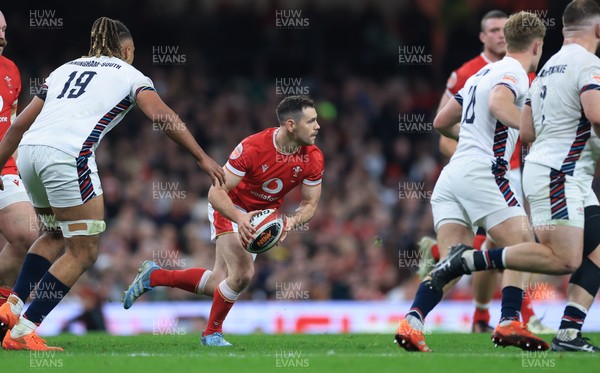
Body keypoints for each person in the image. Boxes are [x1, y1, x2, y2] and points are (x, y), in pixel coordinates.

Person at [0, 17, 225, 351]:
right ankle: (23, 331)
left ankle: (11, 306)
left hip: (29, 154)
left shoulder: (64, 69)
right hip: (67, 155)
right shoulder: (129, 74)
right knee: (84, 251)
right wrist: (201, 157)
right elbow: (161, 116)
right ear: (127, 50)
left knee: (53, 234)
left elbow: (18, 126)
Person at [430, 0, 600, 352]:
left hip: (542, 172)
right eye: (490, 30)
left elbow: (525, 128)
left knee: (590, 249)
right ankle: (475, 277)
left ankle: (564, 329)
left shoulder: (547, 68)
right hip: (542, 174)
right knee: (555, 256)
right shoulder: (576, 66)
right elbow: (593, 113)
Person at [395, 11, 547, 352]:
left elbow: (440, 121)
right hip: (486, 172)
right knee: (523, 243)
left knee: (455, 261)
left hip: (452, 176)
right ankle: (509, 321)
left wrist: (468, 137)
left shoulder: (480, 73)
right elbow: (498, 102)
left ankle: (413, 321)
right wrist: (527, 131)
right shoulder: (516, 73)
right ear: (536, 46)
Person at [122, 95, 324, 346]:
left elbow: (309, 204)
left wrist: (290, 223)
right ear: (291, 125)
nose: (318, 126)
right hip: (231, 207)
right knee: (243, 274)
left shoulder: (313, 157)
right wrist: (240, 218)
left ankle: (155, 277)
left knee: (220, 282)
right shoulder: (254, 147)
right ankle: (211, 334)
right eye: (311, 121)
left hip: (261, 217)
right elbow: (216, 192)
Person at [0, 10, 64, 342]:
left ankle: (4, 315)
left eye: (5, 29)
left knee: (28, 235)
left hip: (3, 167)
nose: (2, 36)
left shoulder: (10, 71)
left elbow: (10, 122)